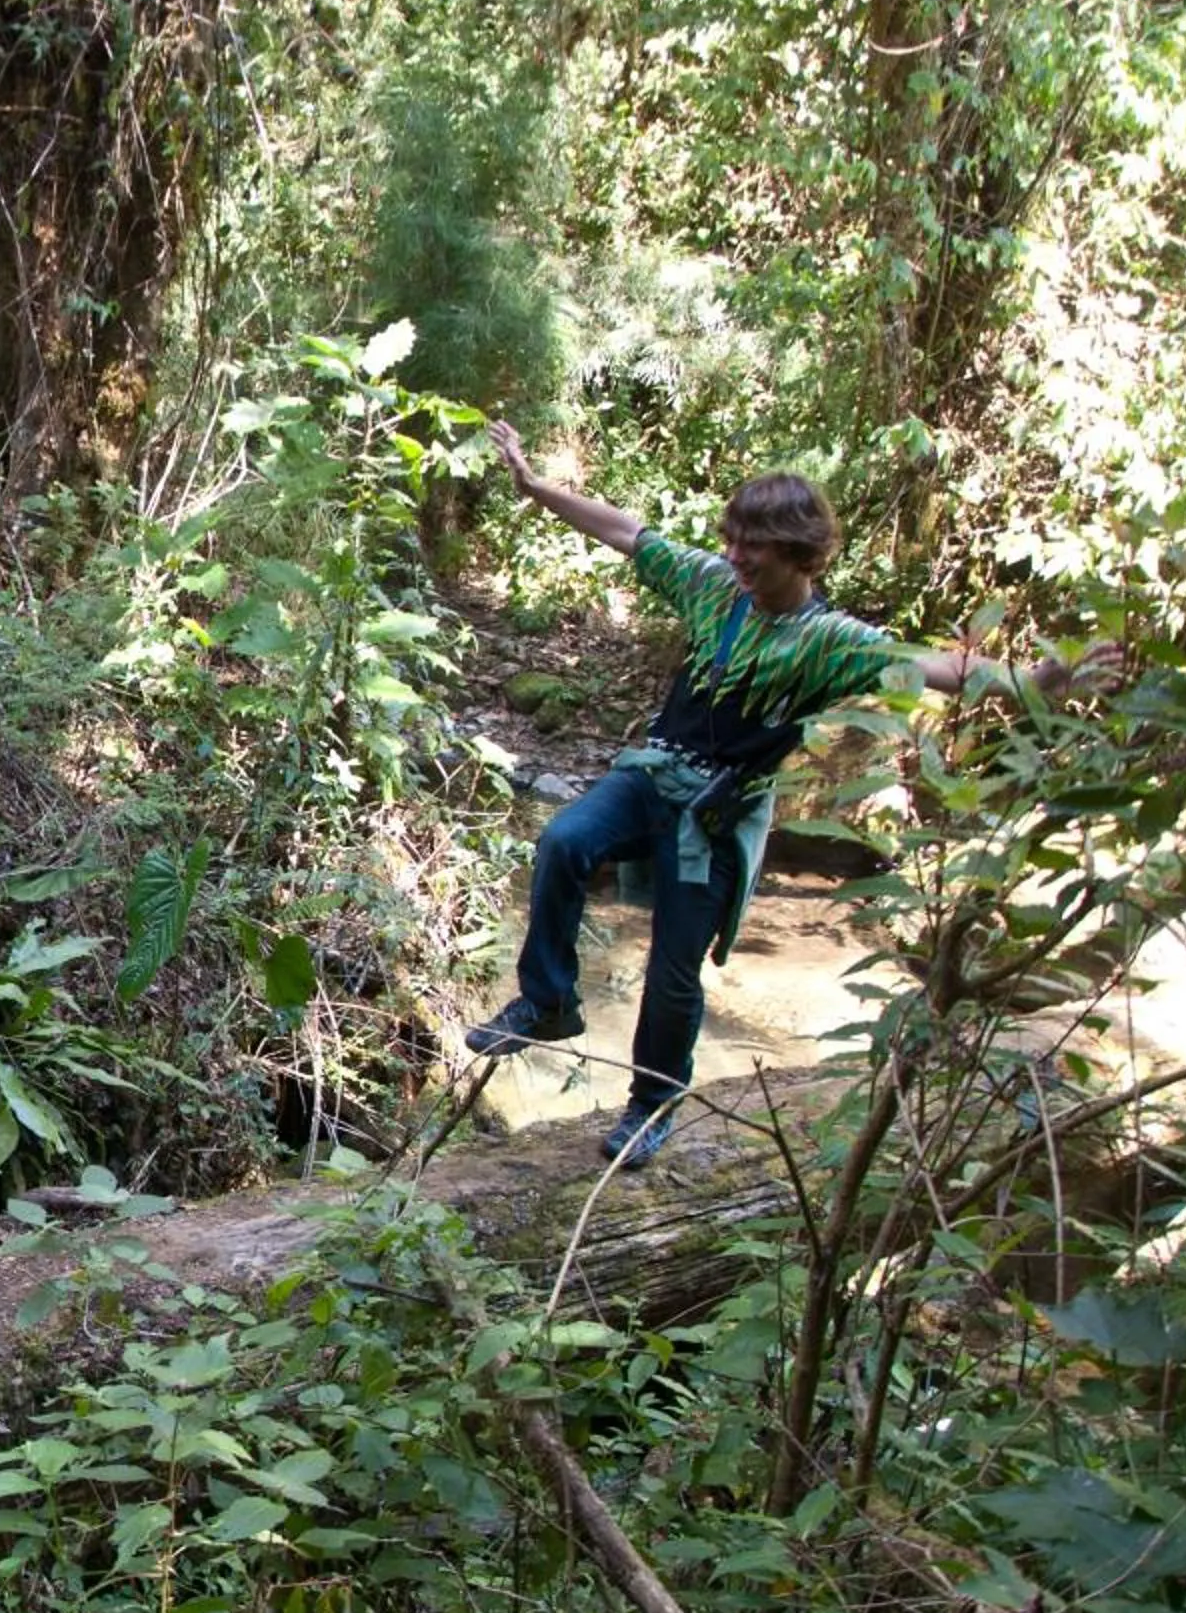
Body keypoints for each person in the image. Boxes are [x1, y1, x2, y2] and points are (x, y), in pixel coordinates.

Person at [468, 419, 1092, 1168]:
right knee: (565, 839)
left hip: (717, 816)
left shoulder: (831, 639)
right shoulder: (712, 586)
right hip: (650, 776)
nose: (735, 557)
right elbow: (629, 531)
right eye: (731, 540)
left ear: (798, 552)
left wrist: (1033, 684)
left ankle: (651, 1101)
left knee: (672, 969)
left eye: (751, 547)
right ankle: (548, 1001)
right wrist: (537, 488)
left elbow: (931, 665)